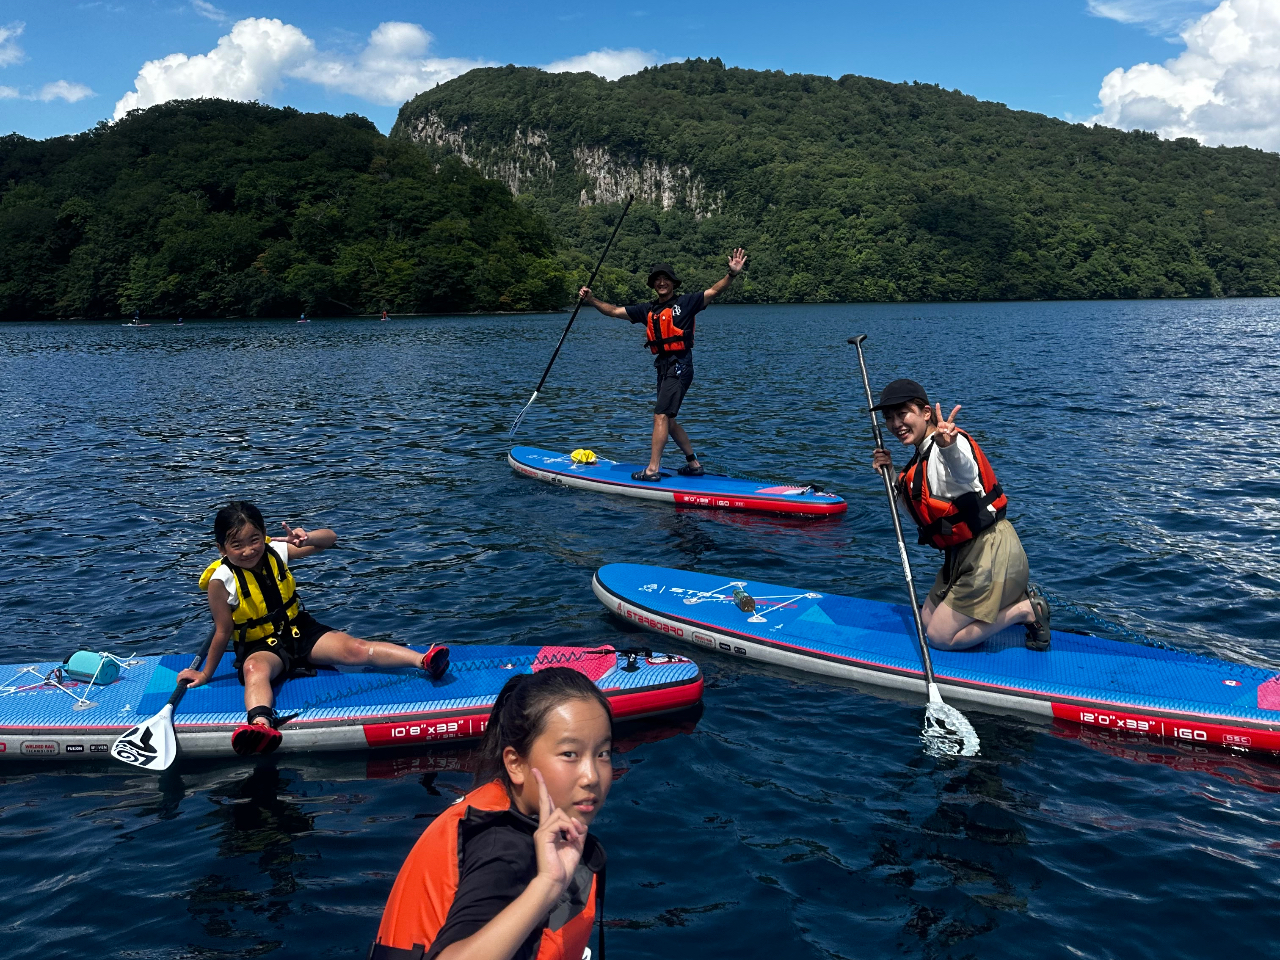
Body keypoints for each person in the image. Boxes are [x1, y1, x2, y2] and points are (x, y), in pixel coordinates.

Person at [371, 668, 612, 960]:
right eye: (570, 754)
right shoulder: (502, 849)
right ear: (515, 764)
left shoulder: (500, 811)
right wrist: (547, 886)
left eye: (603, 753)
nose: (591, 776)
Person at [177, 501, 448, 756]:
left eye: (254, 540)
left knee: (355, 648)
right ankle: (261, 725)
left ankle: (424, 660)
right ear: (222, 549)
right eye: (237, 545)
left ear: (264, 535)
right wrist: (204, 673)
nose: (248, 550)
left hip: (298, 631)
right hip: (260, 646)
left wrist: (307, 538)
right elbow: (223, 631)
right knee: (253, 670)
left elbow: (330, 539)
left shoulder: (277, 551)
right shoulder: (220, 581)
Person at [869, 379, 1051, 652]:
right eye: (889, 418)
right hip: (960, 555)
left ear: (926, 413)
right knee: (927, 621)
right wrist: (890, 473)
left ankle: (1026, 610)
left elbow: (967, 472)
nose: (896, 424)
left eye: (903, 413)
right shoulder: (919, 460)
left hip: (990, 551)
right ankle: (1006, 600)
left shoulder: (950, 444)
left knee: (940, 638)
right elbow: (918, 514)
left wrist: (949, 447)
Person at [579, 249, 747, 481]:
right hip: (664, 366)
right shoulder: (647, 310)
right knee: (668, 419)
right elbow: (614, 311)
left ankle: (652, 469)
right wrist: (590, 299)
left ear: (673, 283)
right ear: (653, 284)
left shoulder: (687, 303)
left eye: (665, 279)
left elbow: (714, 290)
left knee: (660, 415)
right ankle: (693, 463)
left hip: (680, 365)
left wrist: (732, 274)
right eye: (657, 280)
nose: (661, 282)